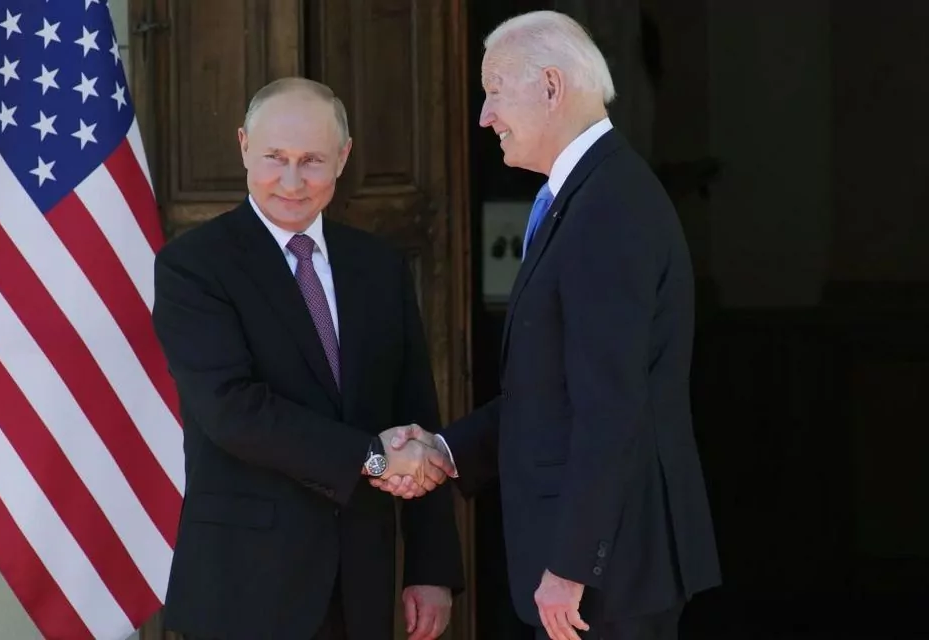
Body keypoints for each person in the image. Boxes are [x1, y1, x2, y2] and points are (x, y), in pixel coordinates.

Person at [373, 10, 721, 640]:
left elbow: (610, 403)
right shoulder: (584, 194)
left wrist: (572, 564)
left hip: (608, 578)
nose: (485, 116)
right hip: (600, 575)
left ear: (552, 87)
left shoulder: (606, 205)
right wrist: (445, 451)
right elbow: (553, 391)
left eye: (494, 91)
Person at [151, 77, 465, 640]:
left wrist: (431, 567)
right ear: (244, 146)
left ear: (343, 158)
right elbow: (233, 411)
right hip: (245, 589)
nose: (292, 182)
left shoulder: (379, 266)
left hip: (361, 583)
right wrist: (372, 458)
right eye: (275, 157)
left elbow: (416, 411)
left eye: (313, 161)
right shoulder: (193, 267)